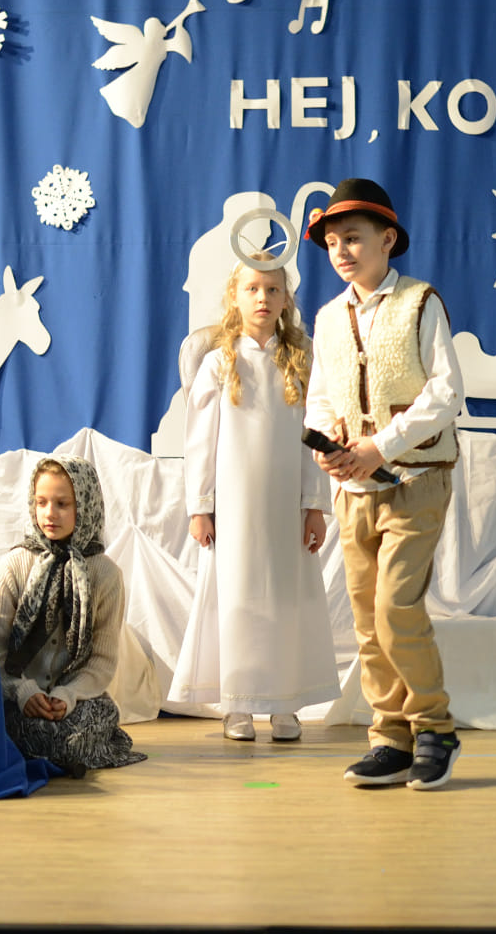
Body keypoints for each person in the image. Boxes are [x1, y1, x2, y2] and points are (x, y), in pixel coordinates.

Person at [303, 178, 465, 790]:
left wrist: (381, 446)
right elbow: (321, 397)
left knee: (397, 607)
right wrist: (332, 446)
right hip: (355, 491)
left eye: (353, 238)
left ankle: (435, 729)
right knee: (367, 620)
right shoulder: (328, 316)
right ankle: (390, 736)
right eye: (332, 243)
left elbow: (445, 393)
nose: (341, 251)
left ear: (387, 240)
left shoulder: (420, 302)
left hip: (415, 479)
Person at [170, 254, 340, 741]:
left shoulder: (301, 362)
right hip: (235, 505)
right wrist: (201, 506)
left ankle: (285, 703)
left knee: (285, 597)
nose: (262, 298)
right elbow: (200, 441)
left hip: (286, 504)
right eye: (252, 289)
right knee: (238, 599)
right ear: (235, 296)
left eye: (272, 289)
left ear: (286, 299)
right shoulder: (219, 363)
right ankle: (238, 703)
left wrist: (314, 504)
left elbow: (314, 439)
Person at [0, 455, 145, 776]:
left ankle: (55, 753)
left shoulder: (106, 574)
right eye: (41, 502)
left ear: (85, 506)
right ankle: (50, 754)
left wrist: (67, 695)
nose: (49, 513)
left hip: (77, 700)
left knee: (77, 733)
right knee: (10, 728)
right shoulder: (14, 565)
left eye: (62, 504)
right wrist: (22, 691)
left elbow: (101, 662)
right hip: (16, 696)